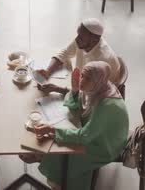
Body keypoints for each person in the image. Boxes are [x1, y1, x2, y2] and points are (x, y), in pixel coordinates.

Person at [23, 61, 129, 189]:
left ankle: (58, 179)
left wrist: (52, 130)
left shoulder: (106, 105)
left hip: (106, 145)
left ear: (97, 80)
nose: (82, 81)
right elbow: (79, 103)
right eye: (82, 75)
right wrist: (74, 90)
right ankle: (45, 158)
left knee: (67, 153)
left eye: (87, 78)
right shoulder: (100, 87)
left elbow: (85, 136)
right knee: (62, 142)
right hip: (97, 133)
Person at [36, 18, 120, 86]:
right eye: (78, 35)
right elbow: (65, 53)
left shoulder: (101, 60)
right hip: (82, 83)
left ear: (94, 40)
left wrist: (56, 89)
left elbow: (89, 93)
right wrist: (48, 71)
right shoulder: (84, 41)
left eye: (81, 37)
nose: (76, 39)